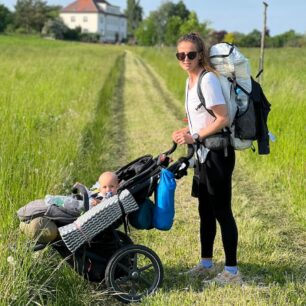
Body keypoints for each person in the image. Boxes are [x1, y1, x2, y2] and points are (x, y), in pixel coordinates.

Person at [172, 32, 241, 284]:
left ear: (200, 54)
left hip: (217, 154)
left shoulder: (207, 79)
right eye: (181, 55)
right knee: (205, 210)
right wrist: (187, 131)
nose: (186, 59)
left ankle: (232, 272)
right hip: (203, 153)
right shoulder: (190, 81)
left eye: (191, 54)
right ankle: (206, 263)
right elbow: (202, 115)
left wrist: (196, 135)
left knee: (222, 211)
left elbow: (223, 118)